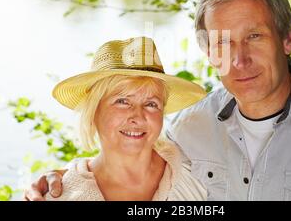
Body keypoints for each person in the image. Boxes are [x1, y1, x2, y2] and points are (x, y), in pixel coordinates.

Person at [25, 0, 291, 201]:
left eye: (254, 36)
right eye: (222, 42)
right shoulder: (189, 130)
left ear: (288, 38)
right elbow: (130, 162)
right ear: (207, 51)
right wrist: (67, 182)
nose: (239, 59)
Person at [38, 36, 207, 201]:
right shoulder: (61, 195)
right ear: (93, 112)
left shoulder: (197, 169)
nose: (138, 117)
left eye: (151, 104)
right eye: (122, 101)